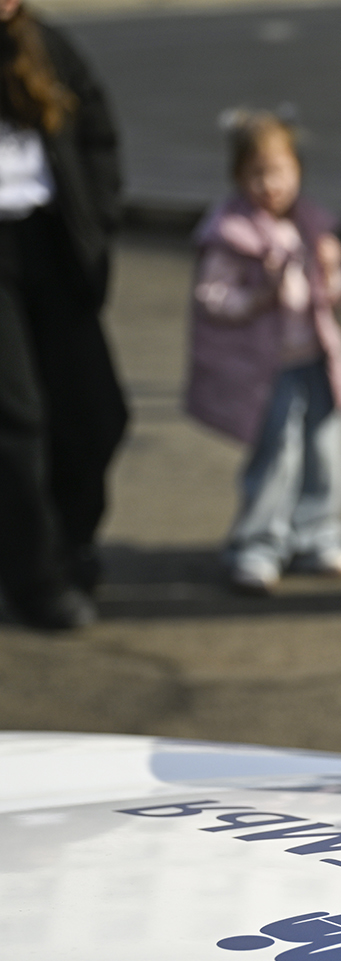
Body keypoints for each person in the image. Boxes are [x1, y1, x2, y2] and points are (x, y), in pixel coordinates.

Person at [184, 109, 341, 596]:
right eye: (257, 174)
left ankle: (319, 533)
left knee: (325, 450)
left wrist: (332, 269)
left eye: (279, 172)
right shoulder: (230, 234)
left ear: (298, 172)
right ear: (238, 176)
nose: (270, 184)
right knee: (275, 455)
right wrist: (258, 297)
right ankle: (257, 545)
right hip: (265, 368)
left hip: (316, 359)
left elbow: (336, 295)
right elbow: (212, 297)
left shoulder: (312, 227)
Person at [0, 0, 125, 631]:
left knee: (97, 414)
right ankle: (33, 576)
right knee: (16, 423)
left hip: (51, 246)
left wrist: (96, 223)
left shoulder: (46, 46)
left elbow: (98, 135)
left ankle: (70, 539)